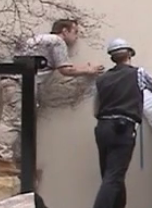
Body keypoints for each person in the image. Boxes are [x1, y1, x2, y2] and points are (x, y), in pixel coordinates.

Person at [0, 19, 104, 175]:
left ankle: (11, 160)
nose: (76, 37)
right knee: (13, 121)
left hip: (15, 82)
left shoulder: (40, 40)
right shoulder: (56, 41)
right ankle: (3, 158)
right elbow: (66, 70)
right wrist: (89, 70)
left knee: (19, 122)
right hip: (19, 84)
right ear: (64, 31)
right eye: (75, 32)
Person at [84, 38, 152, 208]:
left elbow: (96, 109)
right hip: (123, 127)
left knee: (111, 176)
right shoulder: (137, 73)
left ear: (112, 57)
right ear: (129, 54)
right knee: (114, 176)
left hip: (103, 127)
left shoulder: (101, 79)